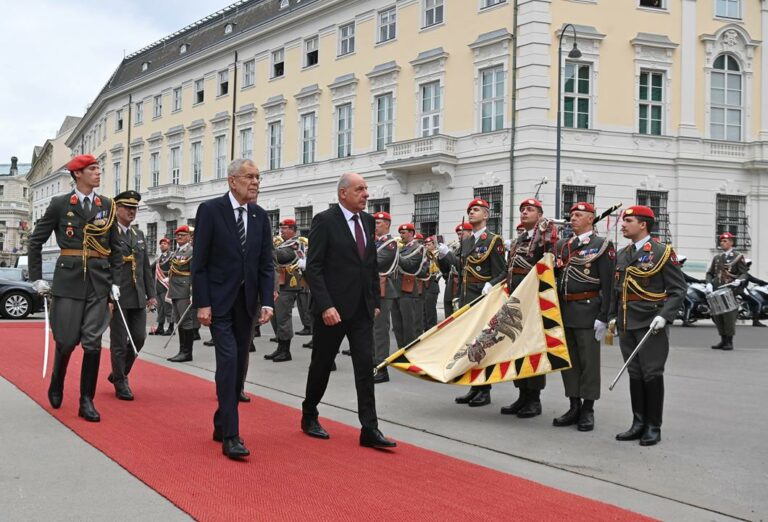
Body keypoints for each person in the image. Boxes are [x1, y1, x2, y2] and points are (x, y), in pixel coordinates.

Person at [301, 172, 396, 449]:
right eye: (360, 189)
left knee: (365, 367)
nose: (366, 194)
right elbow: (314, 268)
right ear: (343, 193)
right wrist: (326, 305)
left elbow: (369, 265)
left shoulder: (367, 221)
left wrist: (374, 302)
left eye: (366, 189)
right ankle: (309, 414)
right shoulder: (324, 221)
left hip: (361, 310)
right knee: (321, 364)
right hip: (333, 310)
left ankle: (369, 428)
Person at [27, 154, 123, 422]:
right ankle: (57, 381)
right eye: (92, 169)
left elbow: (116, 248)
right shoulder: (60, 204)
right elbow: (35, 241)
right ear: (77, 174)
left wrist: (115, 282)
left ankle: (86, 400)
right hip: (68, 280)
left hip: (99, 281)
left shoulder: (107, 205)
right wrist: (37, 277)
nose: (98, 173)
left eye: (98, 168)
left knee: (92, 342)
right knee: (67, 340)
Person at [192, 158, 275, 460]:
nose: (255, 182)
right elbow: (199, 263)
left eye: (258, 177)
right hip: (218, 303)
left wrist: (266, 301)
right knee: (227, 362)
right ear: (232, 181)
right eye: (249, 177)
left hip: (247, 304)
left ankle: (221, 421)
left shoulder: (260, 216)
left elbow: (266, 264)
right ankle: (231, 435)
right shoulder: (211, 211)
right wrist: (202, 303)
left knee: (239, 365)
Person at [610, 205, 686, 446]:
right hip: (626, 321)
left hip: (651, 322)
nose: (623, 224)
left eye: (628, 220)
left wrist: (665, 315)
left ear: (643, 224)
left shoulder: (662, 252)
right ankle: (638, 422)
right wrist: (613, 316)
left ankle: (654, 426)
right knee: (634, 372)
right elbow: (617, 290)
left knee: (651, 373)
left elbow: (677, 290)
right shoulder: (623, 254)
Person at [437, 198, 506, 408]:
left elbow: (503, 272)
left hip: (484, 298)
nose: (471, 212)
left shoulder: (494, 240)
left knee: (483, 345)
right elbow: (462, 267)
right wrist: (447, 255)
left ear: (486, 215)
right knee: (471, 344)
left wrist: (490, 284)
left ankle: (485, 390)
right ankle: (474, 387)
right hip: (468, 298)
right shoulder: (467, 241)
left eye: (476, 210)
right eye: (470, 210)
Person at [553, 202, 615, 431]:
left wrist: (604, 316)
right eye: (571, 215)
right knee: (569, 361)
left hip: (589, 310)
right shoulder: (562, 246)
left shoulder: (602, 245)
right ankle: (573, 404)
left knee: (589, 362)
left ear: (591, 218)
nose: (573, 219)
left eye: (578, 215)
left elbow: (609, 283)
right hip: (565, 310)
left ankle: (588, 408)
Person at [499, 198, 557, 418]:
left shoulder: (543, 236)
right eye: (522, 209)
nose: (524, 212)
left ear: (540, 214)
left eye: (530, 209)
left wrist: (547, 232)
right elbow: (510, 269)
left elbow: (549, 262)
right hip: (516, 301)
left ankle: (534, 399)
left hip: (534, 300)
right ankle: (522, 394)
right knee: (517, 349)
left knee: (532, 350)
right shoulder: (519, 240)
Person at [108, 191, 157, 401]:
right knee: (119, 341)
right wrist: (108, 290)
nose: (131, 211)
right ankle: (121, 381)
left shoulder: (139, 235)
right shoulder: (108, 232)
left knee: (139, 338)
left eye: (134, 208)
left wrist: (151, 294)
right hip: (117, 295)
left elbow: (145, 267)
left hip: (137, 295)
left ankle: (119, 372)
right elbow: (103, 264)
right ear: (116, 209)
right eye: (127, 207)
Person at [265, 218, 307, 363]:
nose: (282, 230)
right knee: (276, 316)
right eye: (281, 228)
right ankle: (280, 347)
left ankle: (285, 350)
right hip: (279, 284)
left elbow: (281, 256)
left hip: (288, 285)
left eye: (285, 228)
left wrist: (266, 244)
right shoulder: (283, 243)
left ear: (293, 230)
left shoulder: (295, 244)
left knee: (283, 317)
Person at [706, 232, 749, 350]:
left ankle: (729, 341)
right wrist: (709, 283)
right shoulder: (717, 257)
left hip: (731, 290)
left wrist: (739, 281)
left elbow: (744, 273)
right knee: (718, 316)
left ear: (731, 242)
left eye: (725, 241)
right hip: (717, 290)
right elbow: (710, 273)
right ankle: (723, 340)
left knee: (729, 316)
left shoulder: (738, 256)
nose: (722, 243)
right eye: (721, 241)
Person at [372, 211, 399, 384]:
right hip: (371, 288)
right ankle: (373, 364)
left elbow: (375, 261)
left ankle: (381, 368)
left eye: (379, 223)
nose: (375, 226)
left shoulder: (390, 244)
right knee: (371, 330)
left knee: (380, 330)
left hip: (382, 290)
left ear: (388, 224)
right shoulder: (374, 242)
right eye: (374, 223)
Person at [390, 223, 428, 349]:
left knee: (408, 324)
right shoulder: (401, 248)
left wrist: (395, 254)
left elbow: (410, 264)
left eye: (404, 233)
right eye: (400, 233)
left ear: (411, 233)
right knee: (397, 324)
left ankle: (410, 350)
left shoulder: (418, 248)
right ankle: (401, 349)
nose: (401, 235)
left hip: (408, 290)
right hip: (395, 288)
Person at [166, 225, 195, 362]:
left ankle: (187, 352)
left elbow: (194, 273)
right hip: (175, 290)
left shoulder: (191, 252)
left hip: (185, 290)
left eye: (182, 235)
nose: (179, 237)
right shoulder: (177, 251)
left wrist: (192, 292)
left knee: (186, 321)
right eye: (177, 235)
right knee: (179, 321)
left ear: (189, 237)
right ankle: (181, 350)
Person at [438, 223, 471, 318]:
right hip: (451, 284)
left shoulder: (471, 247)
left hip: (461, 285)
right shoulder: (457, 249)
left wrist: (448, 254)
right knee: (448, 315)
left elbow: (461, 264)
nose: (459, 236)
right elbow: (446, 269)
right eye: (458, 234)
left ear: (470, 232)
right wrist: (442, 257)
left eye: (462, 234)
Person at [149, 237, 173, 335]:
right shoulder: (158, 258)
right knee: (160, 309)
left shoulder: (172, 256)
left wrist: (169, 278)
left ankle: (171, 328)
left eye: (165, 243)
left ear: (169, 245)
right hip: (158, 287)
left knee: (168, 308)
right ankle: (160, 327)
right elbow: (151, 269)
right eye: (161, 243)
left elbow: (174, 269)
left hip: (166, 286)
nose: (162, 245)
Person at [422, 236, 441, 330]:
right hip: (424, 284)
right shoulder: (424, 256)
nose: (427, 246)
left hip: (433, 284)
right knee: (424, 310)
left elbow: (439, 270)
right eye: (425, 245)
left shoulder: (438, 255)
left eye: (429, 244)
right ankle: (425, 329)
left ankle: (432, 329)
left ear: (434, 245)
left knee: (430, 310)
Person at [743, 259, 767, 327]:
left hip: (744, 290)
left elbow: (755, 280)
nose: (748, 267)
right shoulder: (744, 274)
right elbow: (755, 280)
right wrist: (765, 283)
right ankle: (755, 321)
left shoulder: (742, 273)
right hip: (743, 291)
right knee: (758, 302)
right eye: (747, 265)